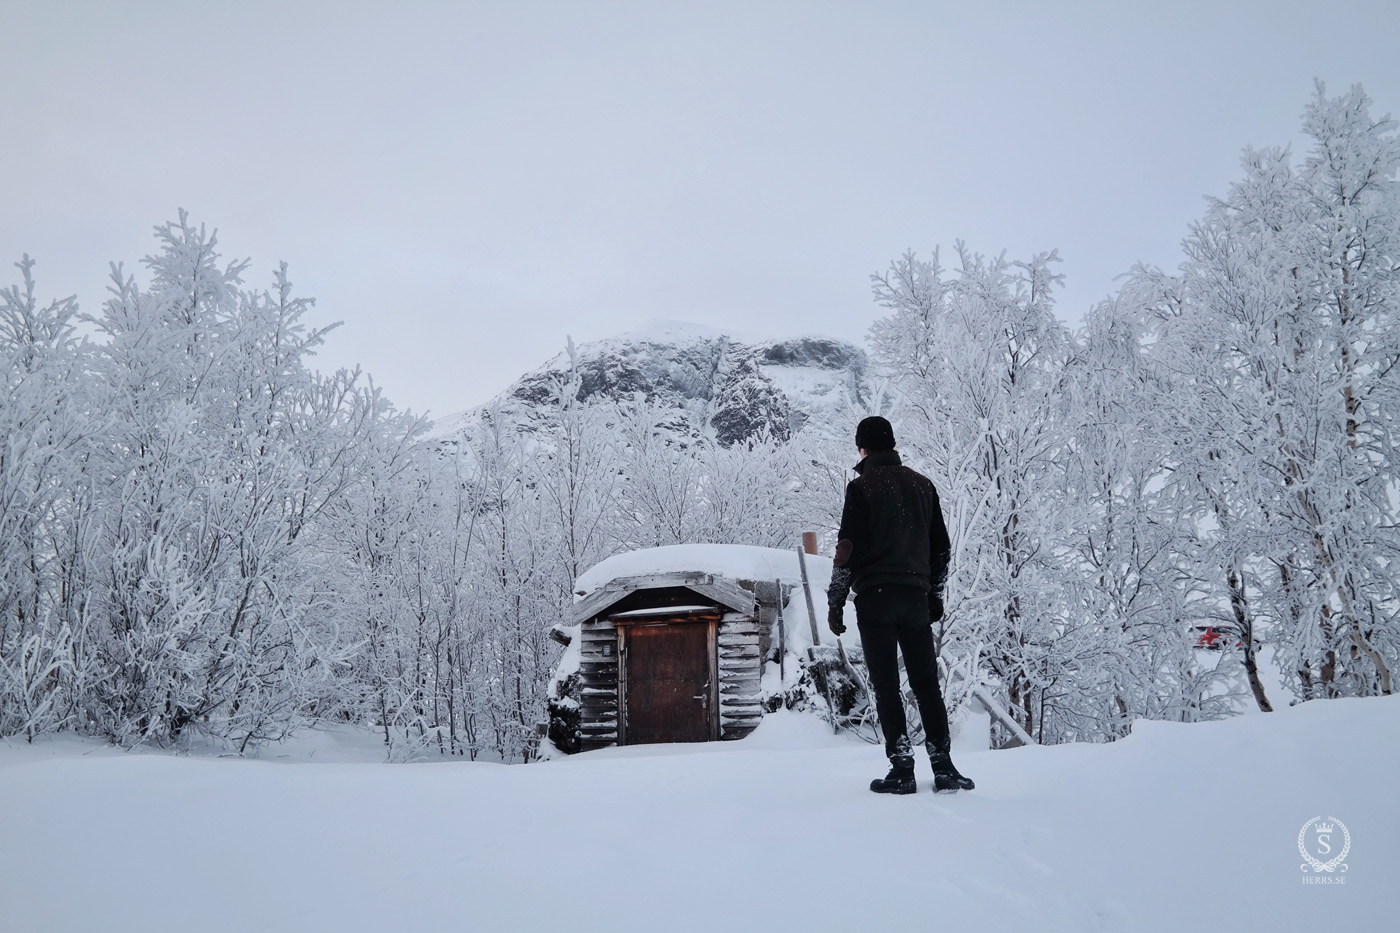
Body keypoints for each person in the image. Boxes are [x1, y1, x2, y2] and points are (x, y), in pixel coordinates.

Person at [826, 416, 974, 794]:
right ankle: (943, 766)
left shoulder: (861, 487)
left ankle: (902, 768)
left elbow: (847, 548)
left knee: (886, 685)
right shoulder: (923, 486)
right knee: (927, 685)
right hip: (915, 599)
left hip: (875, 598)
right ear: (892, 445)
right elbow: (941, 548)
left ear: (862, 448)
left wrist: (836, 601)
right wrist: (935, 594)